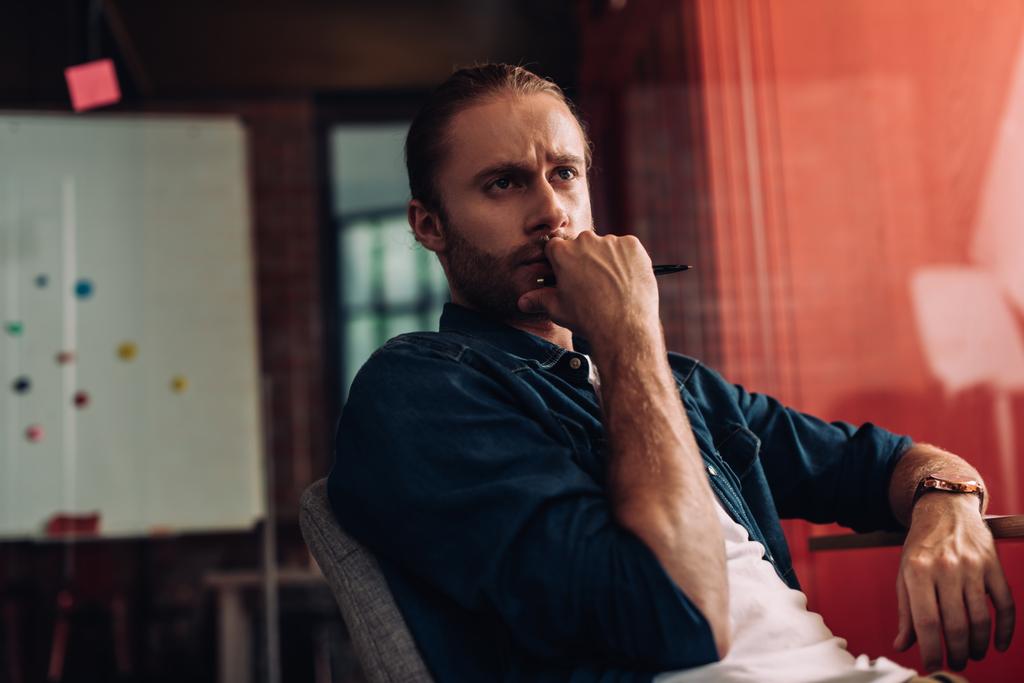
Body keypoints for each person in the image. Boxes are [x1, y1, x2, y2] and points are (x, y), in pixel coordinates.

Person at [327, 64, 1014, 682]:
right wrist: (628, 332)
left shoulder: (675, 384)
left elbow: (881, 462)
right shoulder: (421, 390)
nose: (551, 213)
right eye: (503, 183)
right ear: (429, 224)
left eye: (564, 173)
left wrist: (947, 501)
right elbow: (676, 613)